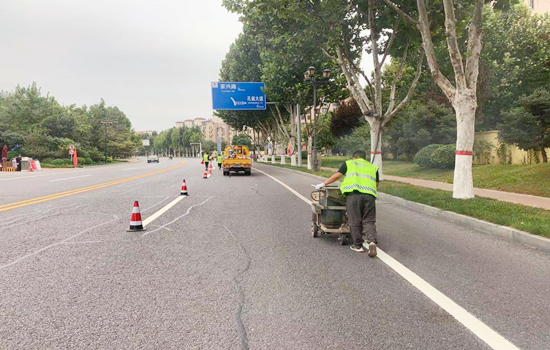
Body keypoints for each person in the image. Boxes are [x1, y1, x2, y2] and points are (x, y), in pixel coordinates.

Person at [315, 150, 379, 256]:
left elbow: (337, 176)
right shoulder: (372, 167)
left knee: (355, 219)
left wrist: (322, 184)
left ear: (354, 157)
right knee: (369, 220)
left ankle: (358, 246)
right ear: (365, 158)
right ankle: (372, 242)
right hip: (369, 196)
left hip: (354, 195)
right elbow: (376, 184)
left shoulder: (349, 163)